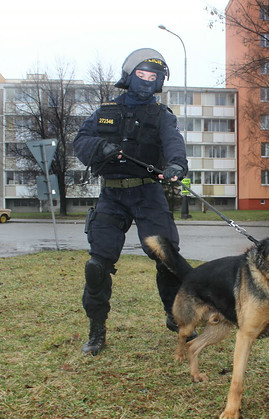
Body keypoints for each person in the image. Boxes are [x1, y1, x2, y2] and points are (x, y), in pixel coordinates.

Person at [73, 48, 189, 356]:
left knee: (167, 257)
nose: (148, 81)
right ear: (130, 75)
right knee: (97, 265)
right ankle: (96, 331)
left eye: (154, 76)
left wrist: (177, 165)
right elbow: (80, 142)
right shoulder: (105, 111)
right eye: (142, 74)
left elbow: (174, 142)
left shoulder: (161, 115)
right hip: (112, 194)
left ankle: (175, 315)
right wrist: (101, 147)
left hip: (148, 192)